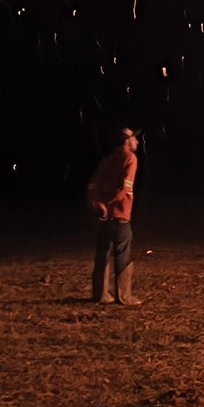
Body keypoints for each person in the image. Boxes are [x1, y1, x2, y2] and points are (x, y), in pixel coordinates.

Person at [87, 127, 142, 306]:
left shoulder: (106, 161)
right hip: (120, 216)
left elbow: (92, 186)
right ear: (127, 141)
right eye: (135, 139)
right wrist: (110, 204)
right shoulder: (130, 159)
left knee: (102, 255)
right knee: (122, 254)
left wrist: (98, 204)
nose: (138, 142)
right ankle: (124, 296)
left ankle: (100, 294)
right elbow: (124, 189)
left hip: (103, 218)